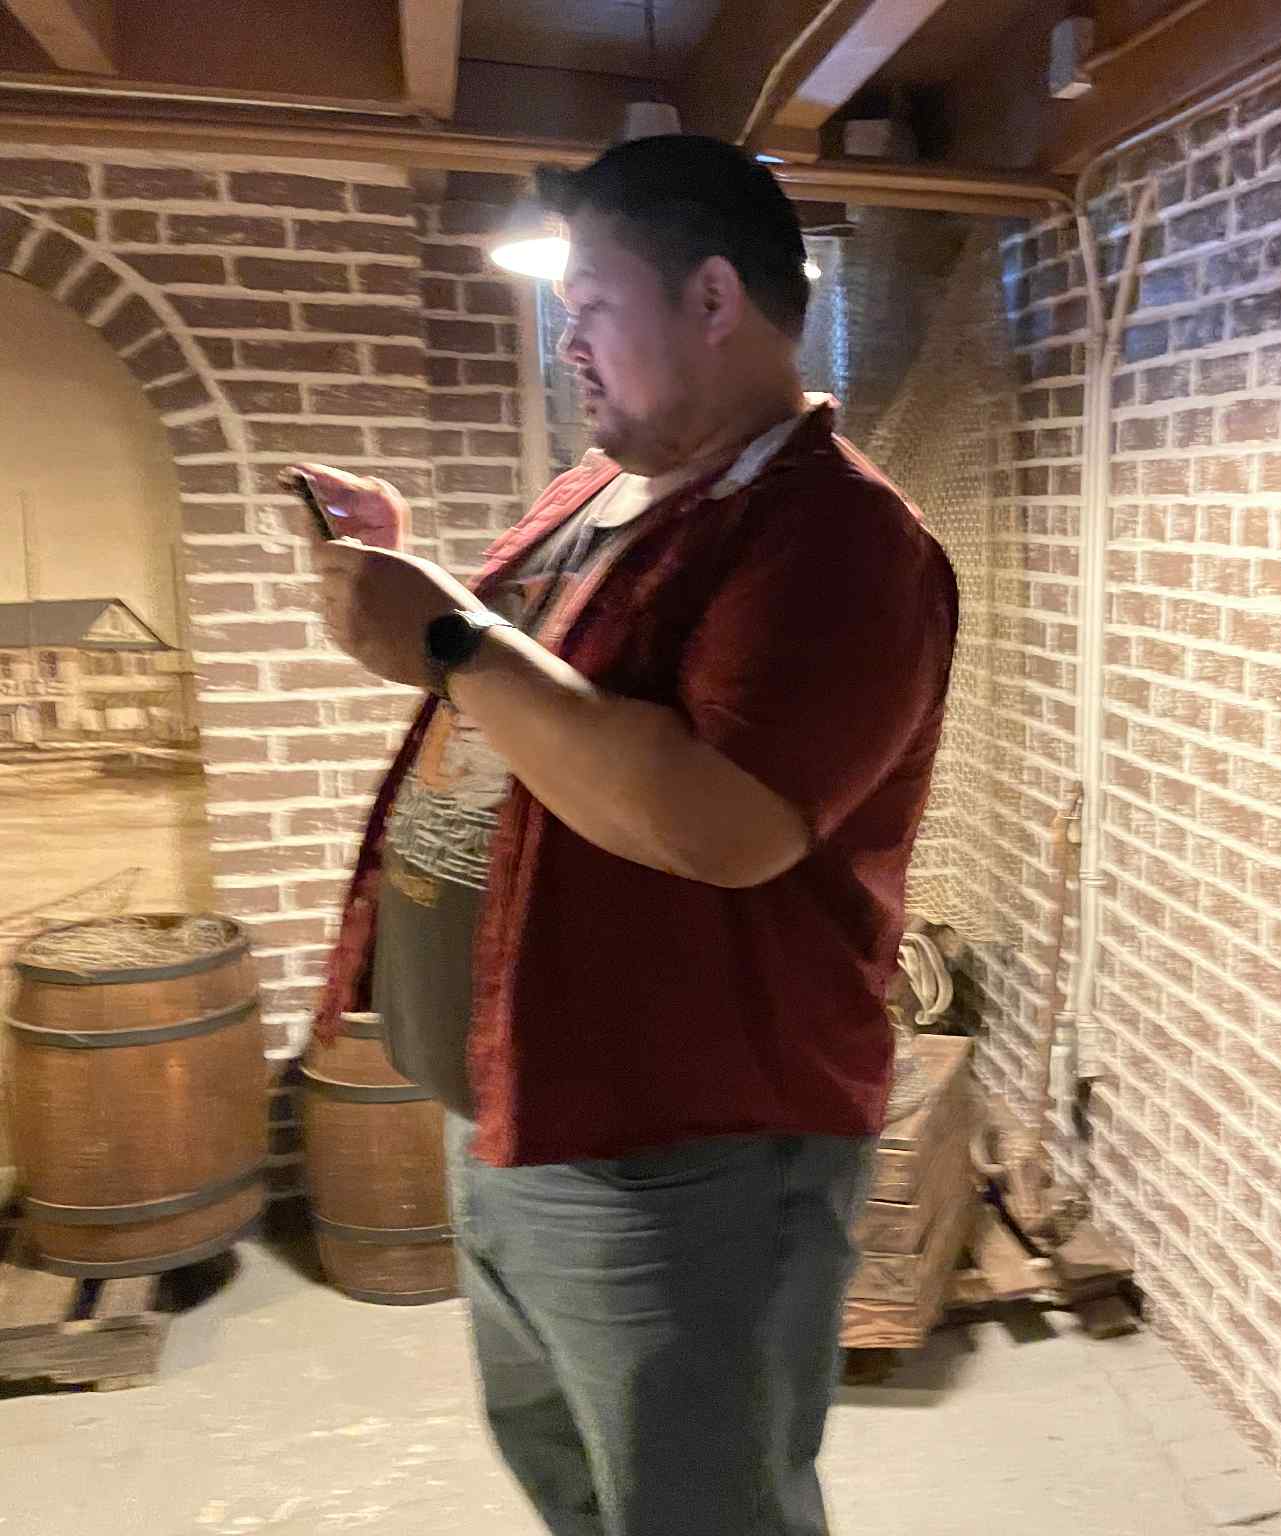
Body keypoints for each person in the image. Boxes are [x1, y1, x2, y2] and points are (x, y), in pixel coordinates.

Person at [298, 134, 959, 1536]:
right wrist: (414, 576)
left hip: (684, 1149)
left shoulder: (837, 539)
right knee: (570, 1472)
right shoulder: (603, 489)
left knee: (698, 1506)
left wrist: (441, 638)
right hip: (527, 1099)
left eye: (592, 304)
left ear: (712, 299)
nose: (568, 342)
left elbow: (725, 824)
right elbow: (546, 690)